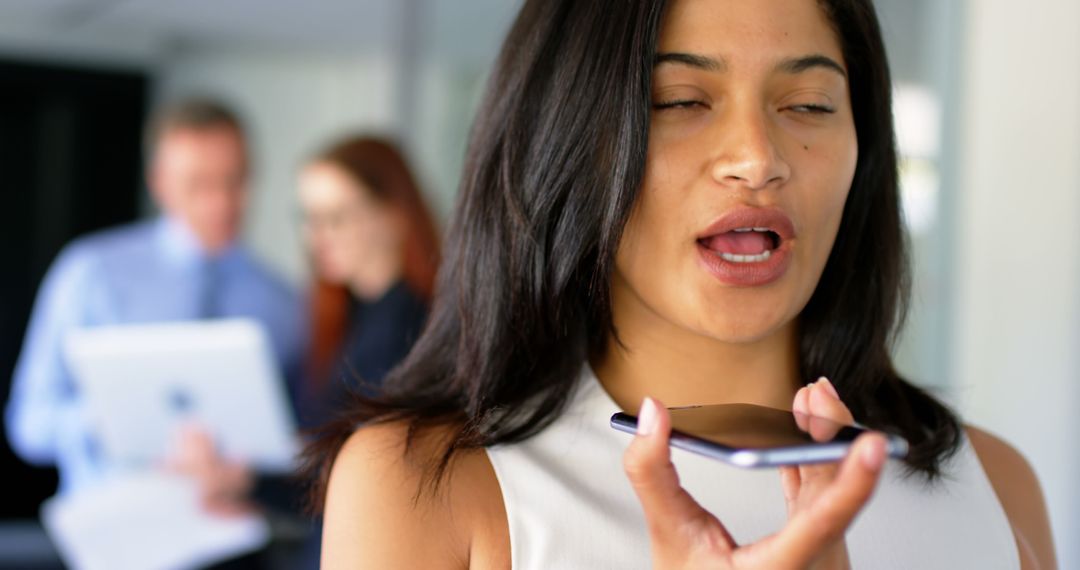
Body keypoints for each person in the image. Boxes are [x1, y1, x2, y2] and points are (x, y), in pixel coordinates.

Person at [312, 0, 1057, 569]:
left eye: (808, 106)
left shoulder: (995, 486)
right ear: (564, 138)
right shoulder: (425, 486)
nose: (757, 158)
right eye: (680, 101)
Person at [4, 98, 305, 504]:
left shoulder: (283, 302)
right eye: (199, 184)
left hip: (235, 542)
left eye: (235, 180)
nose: (221, 202)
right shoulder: (92, 273)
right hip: (115, 539)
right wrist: (116, 418)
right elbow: (29, 423)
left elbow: (296, 438)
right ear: (159, 182)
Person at [296, 136, 439, 429]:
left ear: (394, 216)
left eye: (336, 217)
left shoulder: (415, 330)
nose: (317, 237)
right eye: (310, 218)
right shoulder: (343, 312)